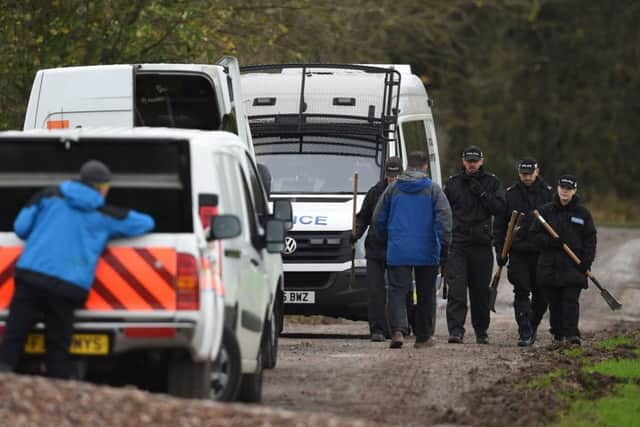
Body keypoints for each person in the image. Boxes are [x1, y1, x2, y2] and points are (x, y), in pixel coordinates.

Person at [0, 160, 155, 378]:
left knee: (14, 338)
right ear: (102, 187)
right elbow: (146, 223)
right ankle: (61, 392)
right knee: (58, 346)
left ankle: (4, 380)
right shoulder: (105, 214)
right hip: (68, 286)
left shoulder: (47, 196)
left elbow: (21, 228)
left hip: (31, 277)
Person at [374, 151, 452, 349]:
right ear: (425, 167)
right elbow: (444, 219)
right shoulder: (434, 190)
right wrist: (445, 245)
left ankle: (398, 331)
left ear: (408, 166)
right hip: (427, 251)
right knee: (426, 293)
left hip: (399, 249)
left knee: (397, 292)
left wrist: (388, 238)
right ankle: (423, 337)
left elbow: (378, 218)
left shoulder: (392, 189)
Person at [444, 146, 505, 344]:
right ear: (463, 161)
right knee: (457, 290)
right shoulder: (453, 183)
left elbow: (500, 208)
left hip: (481, 244)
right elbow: (443, 212)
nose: (471, 164)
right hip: (458, 244)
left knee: (480, 292)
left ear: (481, 161)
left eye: (475, 161)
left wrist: (483, 194)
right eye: (468, 161)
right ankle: (455, 330)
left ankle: (481, 330)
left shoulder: (492, 182)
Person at [529, 175, 596, 346]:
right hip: (550, 266)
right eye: (562, 188)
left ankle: (572, 334)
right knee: (555, 303)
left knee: (570, 301)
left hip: (574, 266)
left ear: (574, 191)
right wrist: (551, 242)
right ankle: (558, 335)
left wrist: (586, 261)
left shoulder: (583, 214)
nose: (565, 191)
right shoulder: (545, 211)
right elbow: (534, 236)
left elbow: (590, 239)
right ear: (558, 188)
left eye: (569, 188)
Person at [494, 158, 553, 346]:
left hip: (541, 253)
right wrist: (499, 250)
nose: (526, 177)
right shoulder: (510, 195)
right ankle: (524, 330)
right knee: (521, 291)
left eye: (529, 174)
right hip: (518, 252)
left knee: (541, 294)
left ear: (537, 172)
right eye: (523, 174)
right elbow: (499, 226)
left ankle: (533, 323)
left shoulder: (548, 194)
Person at [353, 157, 403, 342]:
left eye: (396, 175)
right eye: (390, 175)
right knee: (375, 291)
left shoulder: (408, 193)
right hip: (375, 249)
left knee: (398, 290)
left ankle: (399, 327)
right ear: (386, 174)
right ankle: (377, 330)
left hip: (398, 249)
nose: (393, 179)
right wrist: (356, 233)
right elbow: (363, 217)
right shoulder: (375, 192)